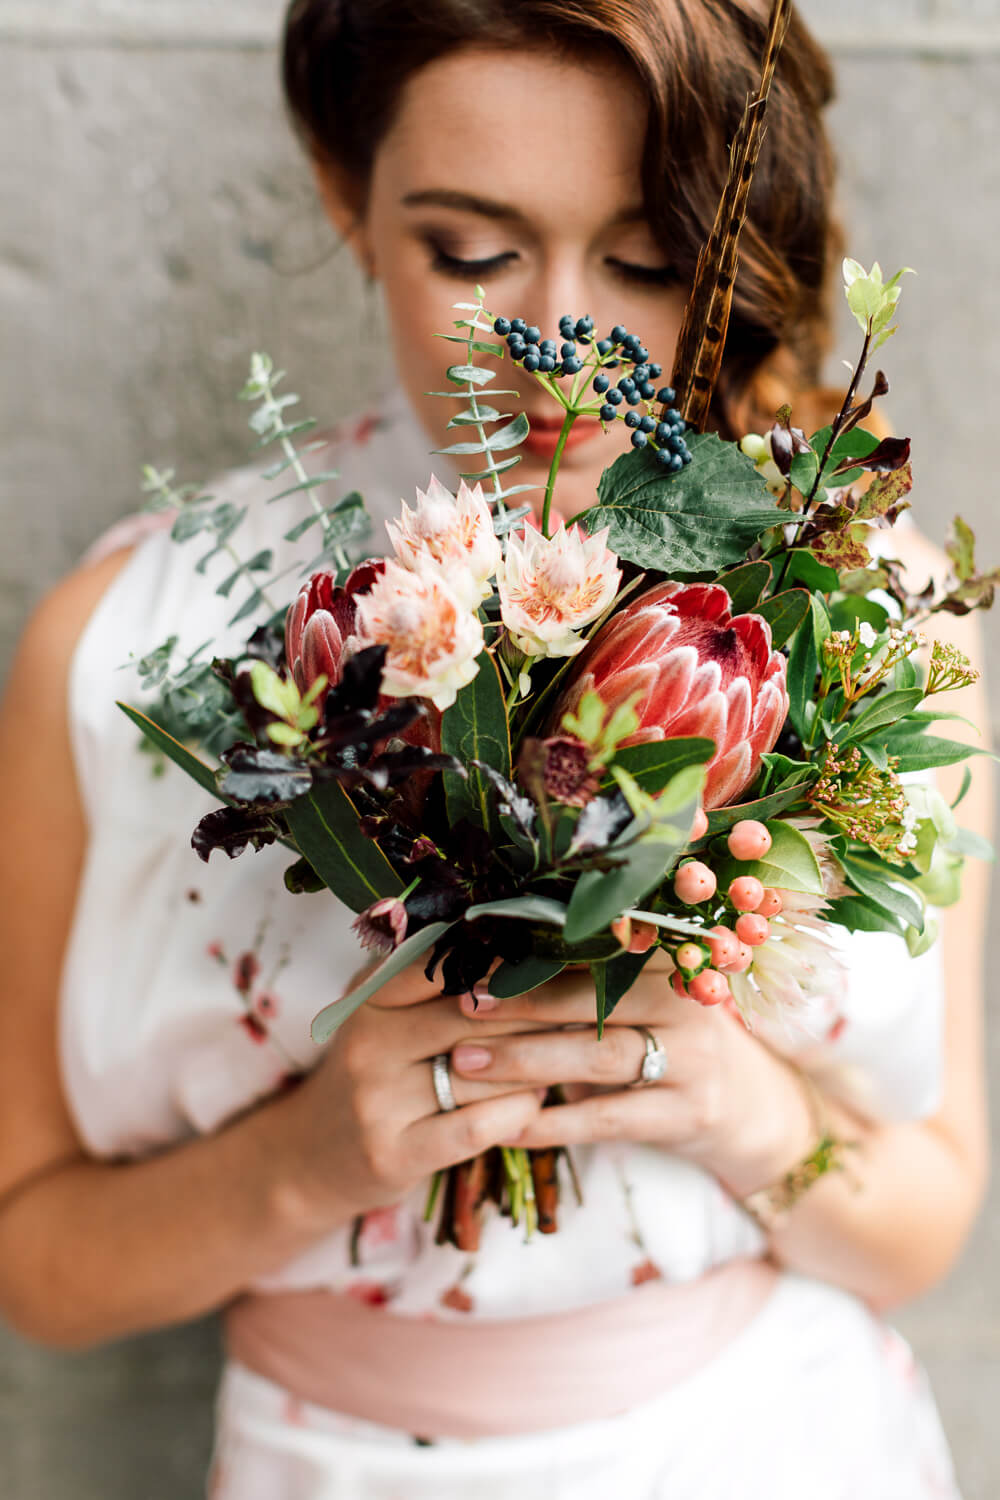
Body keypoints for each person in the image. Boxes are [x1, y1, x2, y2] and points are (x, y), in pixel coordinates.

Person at [0, 2, 990, 1495]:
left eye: (649, 256)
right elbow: (41, 1266)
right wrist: (302, 1163)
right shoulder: (123, 644)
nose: (569, 349)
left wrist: (745, 1109)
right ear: (348, 197)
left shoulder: (874, 619)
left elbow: (924, 1223)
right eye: (472, 253)